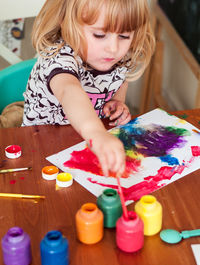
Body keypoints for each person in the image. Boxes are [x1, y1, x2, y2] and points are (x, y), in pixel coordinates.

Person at [22, 0, 155, 177]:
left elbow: (121, 78)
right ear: (68, 23)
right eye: (100, 35)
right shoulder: (59, 58)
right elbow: (69, 90)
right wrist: (96, 134)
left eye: (124, 36)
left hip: (81, 144)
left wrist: (118, 101)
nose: (113, 49)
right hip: (39, 146)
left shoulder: (121, 56)